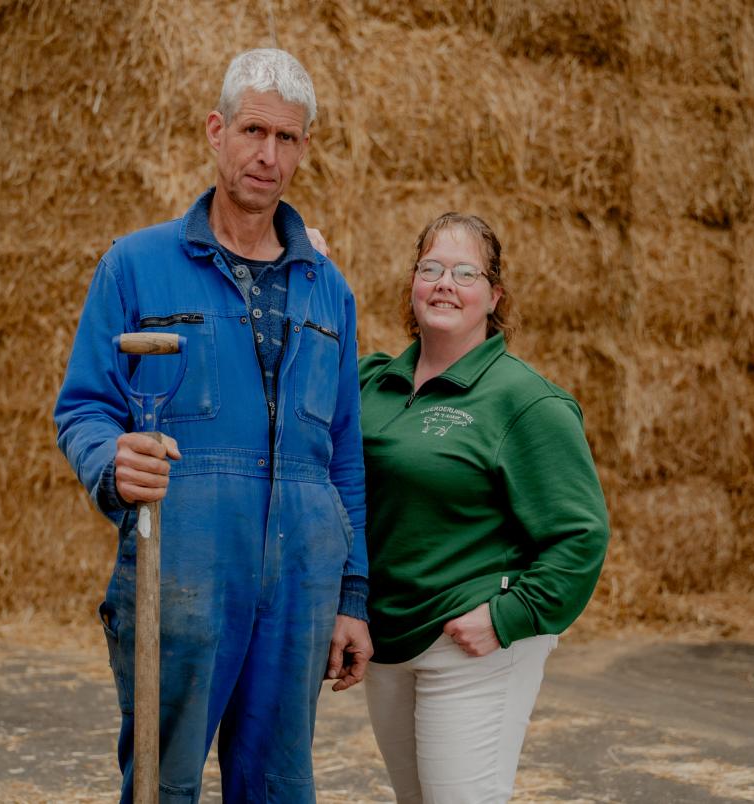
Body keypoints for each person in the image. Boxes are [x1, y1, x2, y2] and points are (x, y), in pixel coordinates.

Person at [53, 48, 371, 803]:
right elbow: (84, 407)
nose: (267, 156)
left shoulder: (330, 292)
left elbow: (345, 457)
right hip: (181, 574)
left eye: (287, 139)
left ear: (303, 149)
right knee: (164, 786)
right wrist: (109, 460)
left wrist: (352, 596)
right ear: (215, 130)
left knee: (278, 788)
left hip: (300, 586)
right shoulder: (136, 265)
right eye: (253, 131)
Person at [357, 212, 610, 803]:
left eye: (465, 272)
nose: (445, 283)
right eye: (431, 268)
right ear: (412, 286)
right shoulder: (372, 384)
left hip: (471, 643)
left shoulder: (524, 401)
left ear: (494, 295)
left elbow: (581, 536)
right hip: (388, 640)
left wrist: (507, 618)